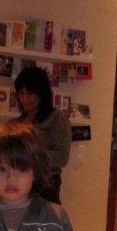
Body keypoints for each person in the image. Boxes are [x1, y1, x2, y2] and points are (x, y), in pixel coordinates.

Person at [14, 65, 72, 204]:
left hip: (46, 185)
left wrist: (31, 156)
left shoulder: (56, 118)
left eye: (30, 94)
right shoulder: (19, 121)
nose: (25, 99)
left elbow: (62, 157)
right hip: (20, 182)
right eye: (21, 93)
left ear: (42, 94)